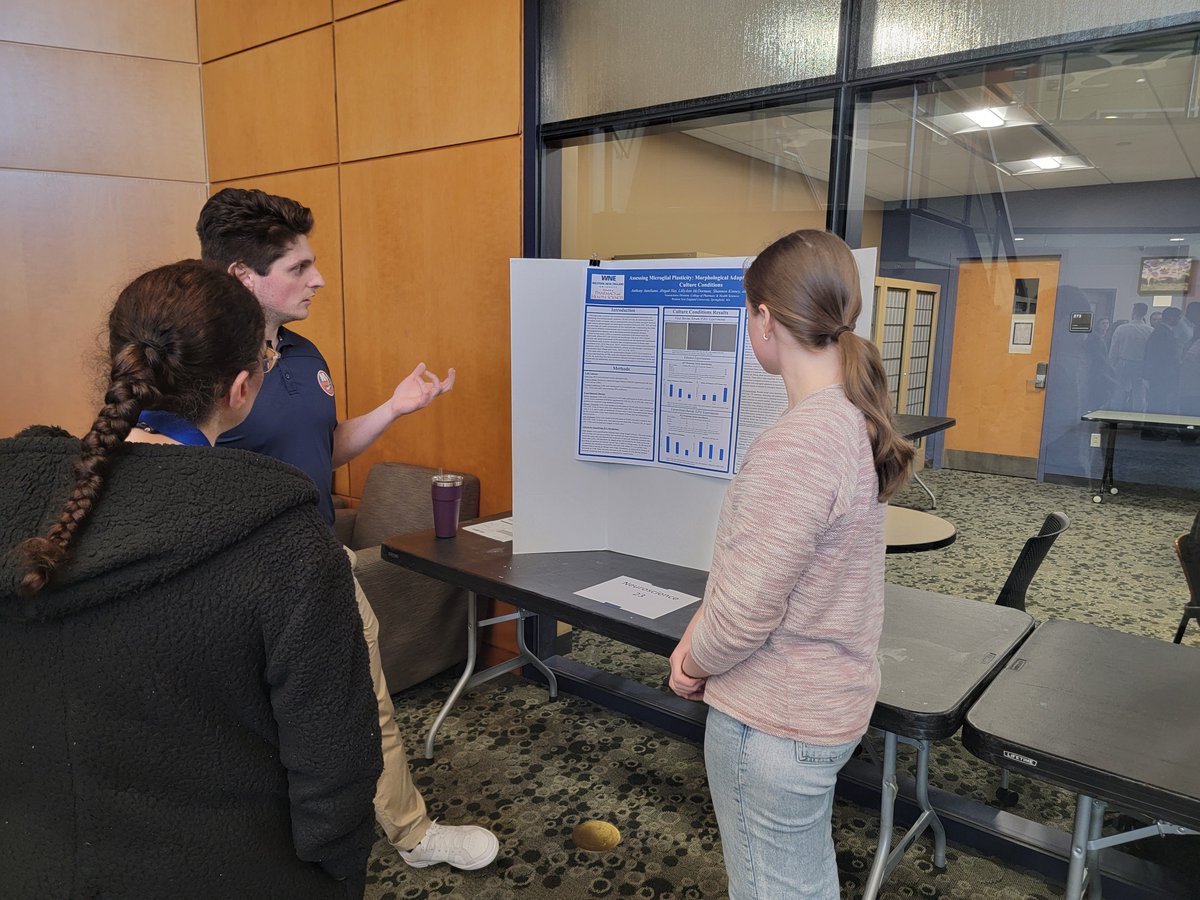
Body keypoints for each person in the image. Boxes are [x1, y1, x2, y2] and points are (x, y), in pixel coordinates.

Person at [0, 261, 381, 898]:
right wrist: (338, 875)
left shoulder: (21, 499)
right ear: (239, 388)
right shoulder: (280, 535)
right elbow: (334, 758)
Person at [196, 188, 498, 871]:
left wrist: (394, 407)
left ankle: (413, 836)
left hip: (318, 561)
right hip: (236, 580)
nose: (319, 279)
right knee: (249, 729)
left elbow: (321, 451)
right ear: (245, 277)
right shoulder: (201, 366)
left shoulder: (303, 354)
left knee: (370, 703)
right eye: (299, 267)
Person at [668, 230, 913, 899]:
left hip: (772, 724)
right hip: (819, 708)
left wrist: (691, 661)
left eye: (749, 315)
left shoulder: (798, 445)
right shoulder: (847, 420)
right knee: (801, 882)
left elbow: (747, 612)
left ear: (765, 320)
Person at [1107, 302, 1152, 411]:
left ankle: (1113, 416)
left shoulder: (1121, 329)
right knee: (1139, 394)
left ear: (1134, 312)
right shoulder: (1150, 330)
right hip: (1141, 364)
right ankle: (1138, 419)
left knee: (1118, 392)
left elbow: (1114, 350)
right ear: (1145, 313)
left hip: (1123, 362)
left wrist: (1110, 366)